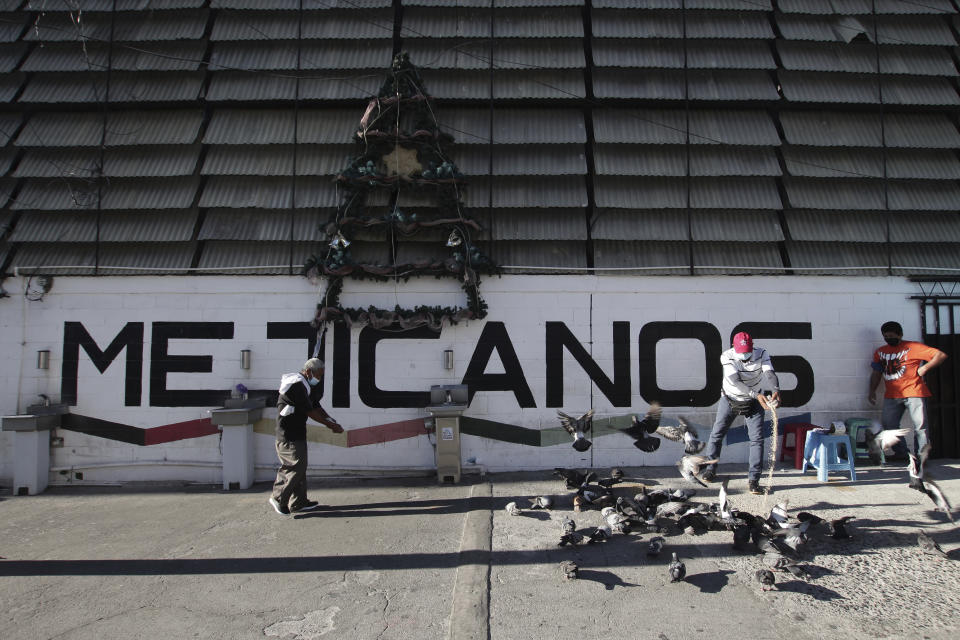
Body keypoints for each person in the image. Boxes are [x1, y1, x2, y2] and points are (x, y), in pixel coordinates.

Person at [701, 332, 781, 495]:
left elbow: (770, 373)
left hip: (754, 402)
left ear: (752, 346)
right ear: (734, 347)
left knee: (757, 439)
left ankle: (754, 480)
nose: (745, 356)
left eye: (747, 351)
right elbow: (735, 381)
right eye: (741, 351)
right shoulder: (727, 356)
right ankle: (710, 469)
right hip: (731, 399)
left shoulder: (762, 353)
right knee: (717, 434)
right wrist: (756, 395)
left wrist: (776, 390)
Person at [269, 358, 344, 515]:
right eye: (318, 375)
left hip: (297, 433)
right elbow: (309, 411)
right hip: (288, 435)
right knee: (295, 467)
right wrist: (330, 425)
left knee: (300, 468)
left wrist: (330, 419)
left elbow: (316, 405)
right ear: (309, 371)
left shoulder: (306, 385)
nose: (319, 379)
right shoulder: (296, 385)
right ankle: (278, 497)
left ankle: (299, 503)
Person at [868, 321, 947, 460]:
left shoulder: (913, 347)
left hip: (914, 391)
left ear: (900, 334)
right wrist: (872, 390)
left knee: (920, 427)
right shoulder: (881, 352)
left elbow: (940, 355)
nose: (888, 338)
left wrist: (925, 368)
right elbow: (876, 372)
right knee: (889, 425)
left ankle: (921, 456)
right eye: (885, 336)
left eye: (891, 336)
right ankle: (902, 453)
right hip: (892, 394)